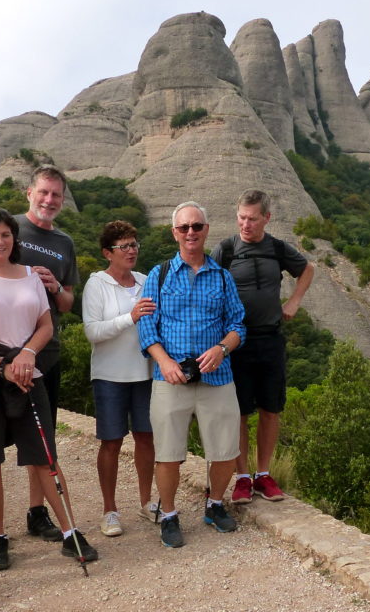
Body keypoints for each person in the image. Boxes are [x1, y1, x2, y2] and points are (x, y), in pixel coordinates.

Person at [0, 207, 97, 570]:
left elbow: (46, 324)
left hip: (28, 375)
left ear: (14, 238)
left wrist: (28, 355)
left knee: (45, 456)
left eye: (5, 234)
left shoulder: (32, 275)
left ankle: (70, 532)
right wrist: (1, 366)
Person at [137, 201, 246, 548]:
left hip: (217, 375)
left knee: (226, 450)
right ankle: (168, 514)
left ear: (206, 230)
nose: (190, 233)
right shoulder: (160, 274)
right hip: (171, 377)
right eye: (184, 228)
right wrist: (164, 362)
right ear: (174, 233)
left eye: (196, 226)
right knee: (168, 453)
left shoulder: (223, 277)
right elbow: (146, 328)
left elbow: (238, 325)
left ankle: (214, 504)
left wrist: (222, 349)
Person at [211, 190, 314, 504]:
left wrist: (294, 300)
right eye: (242, 217)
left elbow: (307, 269)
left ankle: (264, 474)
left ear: (266, 218)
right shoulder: (226, 249)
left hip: (270, 337)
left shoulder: (278, 248)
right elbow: (206, 283)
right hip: (236, 340)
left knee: (271, 408)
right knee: (239, 411)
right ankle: (242, 477)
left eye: (252, 219)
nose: (246, 224)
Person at [82, 220, 158, 536]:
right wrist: (130, 317)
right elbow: (93, 332)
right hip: (110, 375)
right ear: (107, 253)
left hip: (144, 372)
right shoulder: (96, 284)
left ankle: (145, 502)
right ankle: (109, 511)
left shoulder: (145, 280)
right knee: (111, 442)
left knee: (146, 438)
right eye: (124, 246)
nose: (131, 250)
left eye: (134, 244)